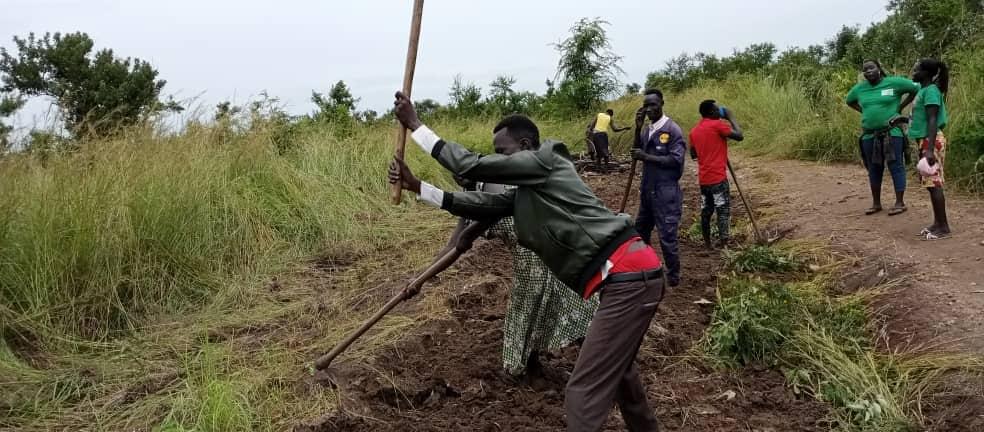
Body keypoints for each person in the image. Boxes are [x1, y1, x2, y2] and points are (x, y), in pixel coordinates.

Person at [389, 91, 664, 432]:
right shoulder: (526, 192)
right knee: (624, 377)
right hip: (631, 278)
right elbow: (478, 206)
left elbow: (469, 164)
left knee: (581, 393)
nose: (500, 160)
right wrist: (418, 187)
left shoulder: (546, 160)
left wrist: (415, 124)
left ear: (525, 145)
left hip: (628, 278)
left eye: (503, 153)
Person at [845, 60, 920, 216]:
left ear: (879, 69)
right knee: (874, 168)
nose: (868, 71)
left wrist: (900, 107)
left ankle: (900, 203)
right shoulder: (860, 89)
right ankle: (876, 203)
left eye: (872, 68)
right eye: (865, 70)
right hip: (869, 134)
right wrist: (864, 111)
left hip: (891, 132)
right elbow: (849, 101)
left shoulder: (893, 83)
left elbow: (915, 88)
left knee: (896, 166)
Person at [631, 89, 686, 287]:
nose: (650, 109)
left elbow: (676, 160)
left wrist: (646, 157)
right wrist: (637, 129)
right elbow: (636, 151)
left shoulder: (672, 130)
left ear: (662, 103)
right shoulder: (647, 130)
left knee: (667, 236)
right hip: (647, 191)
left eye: (653, 104)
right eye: (646, 105)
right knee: (640, 233)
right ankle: (644, 268)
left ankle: (673, 277)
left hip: (665, 191)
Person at [688, 100, 744, 249]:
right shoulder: (718, 125)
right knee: (723, 210)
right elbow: (739, 136)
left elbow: (693, 154)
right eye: (717, 109)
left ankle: (707, 244)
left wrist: (709, 148)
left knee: (706, 211)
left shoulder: (694, 131)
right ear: (712, 113)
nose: (719, 110)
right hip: (718, 179)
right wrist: (731, 117)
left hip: (704, 180)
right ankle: (725, 245)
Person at [910, 58, 951, 240]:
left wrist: (929, 149)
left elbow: (933, 120)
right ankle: (937, 222)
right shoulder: (923, 90)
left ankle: (943, 227)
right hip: (925, 140)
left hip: (931, 140)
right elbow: (921, 118)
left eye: (917, 69)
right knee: (929, 184)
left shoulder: (931, 91)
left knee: (934, 184)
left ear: (927, 73)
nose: (913, 72)